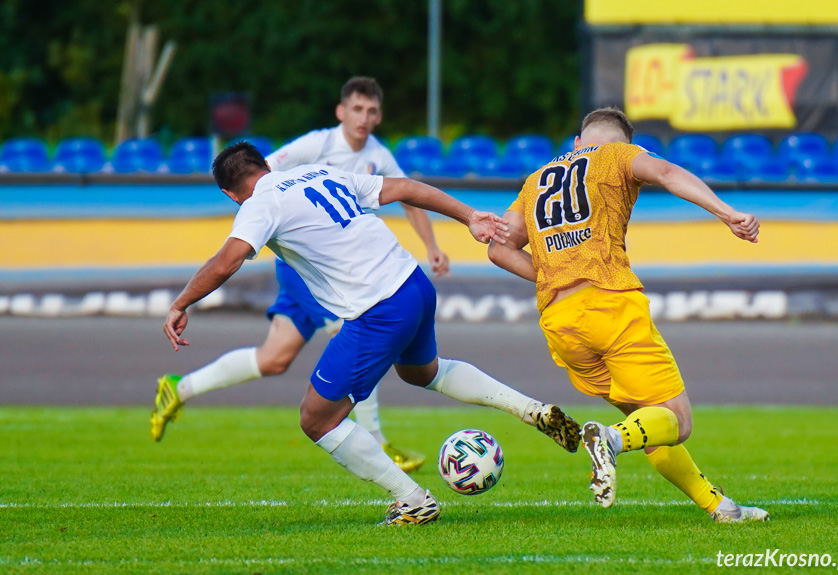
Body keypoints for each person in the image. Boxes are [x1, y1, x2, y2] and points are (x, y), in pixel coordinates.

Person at [162, 142, 582, 526]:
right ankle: (533, 410)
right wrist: (470, 216)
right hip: (413, 284)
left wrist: (181, 303)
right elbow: (405, 188)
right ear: (266, 164)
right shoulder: (320, 173)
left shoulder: (258, 203)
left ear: (231, 195)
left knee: (316, 419)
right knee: (423, 373)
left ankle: (413, 500)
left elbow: (225, 262)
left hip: (377, 309)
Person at [151, 77, 448, 472]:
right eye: (357, 109)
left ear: (379, 116)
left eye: (372, 111)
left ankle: (179, 388)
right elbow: (266, 176)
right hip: (303, 269)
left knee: (274, 359)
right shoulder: (317, 145)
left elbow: (408, 196)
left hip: (338, 269)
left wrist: (431, 246)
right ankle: (378, 440)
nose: (364, 118)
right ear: (341, 112)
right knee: (355, 330)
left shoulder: (379, 154)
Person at [488, 107, 769, 523]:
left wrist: (552, 274)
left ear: (577, 142)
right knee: (676, 420)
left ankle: (719, 507)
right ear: (622, 142)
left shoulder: (536, 180)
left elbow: (499, 247)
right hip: (609, 304)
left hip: (560, 323)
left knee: (648, 423)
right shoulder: (617, 156)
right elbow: (670, 174)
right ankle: (608, 440)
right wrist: (728, 213)